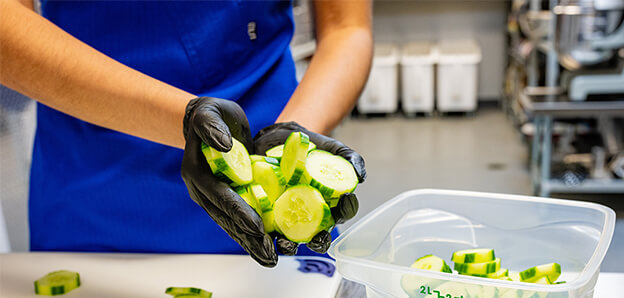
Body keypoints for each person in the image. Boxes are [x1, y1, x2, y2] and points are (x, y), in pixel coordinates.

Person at [0, 0, 372, 267]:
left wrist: (295, 138)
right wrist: (188, 122)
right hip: (92, 201)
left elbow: (347, 28)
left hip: (271, 199)